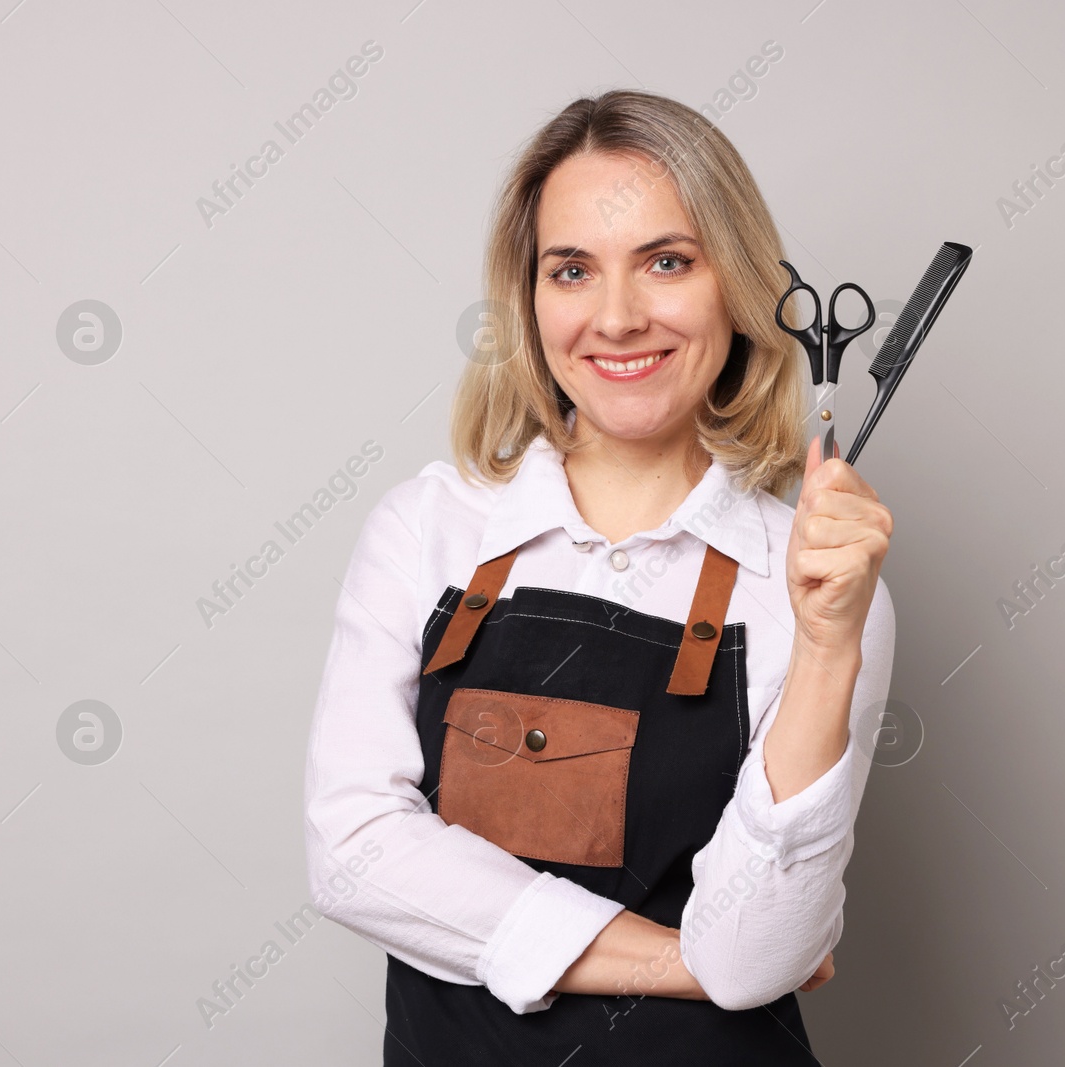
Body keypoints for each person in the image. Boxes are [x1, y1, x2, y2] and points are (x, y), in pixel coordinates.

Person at [303, 87, 895, 1064]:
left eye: (667, 261)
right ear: (529, 301)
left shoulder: (813, 585)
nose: (616, 318)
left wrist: (830, 647)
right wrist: (684, 958)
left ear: (738, 287)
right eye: (571, 269)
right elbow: (356, 852)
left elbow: (759, 947)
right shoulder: (426, 530)